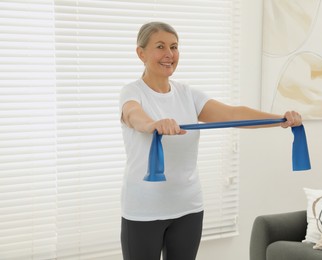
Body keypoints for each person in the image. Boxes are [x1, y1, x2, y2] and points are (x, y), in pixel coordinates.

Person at [119, 21, 302, 260]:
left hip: (188, 208)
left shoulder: (188, 94)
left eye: (174, 47)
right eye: (160, 47)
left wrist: (281, 119)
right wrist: (154, 125)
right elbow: (134, 117)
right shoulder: (133, 92)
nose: (169, 54)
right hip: (143, 209)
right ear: (140, 53)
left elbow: (234, 114)